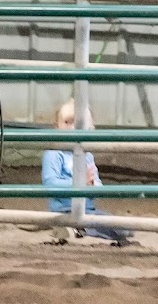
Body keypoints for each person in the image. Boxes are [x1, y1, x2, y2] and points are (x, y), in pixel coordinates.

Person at [41, 99, 133, 245]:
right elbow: (50, 184)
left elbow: (97, 184)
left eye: (79, 123)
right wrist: (79, 182)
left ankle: (78, 230)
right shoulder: (54, 153)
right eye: (67, 122)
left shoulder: (87, 155)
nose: (73, 128)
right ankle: (74, 228)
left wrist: (92, 185)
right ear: (56, 127)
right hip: (64, 209)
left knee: (125, 229)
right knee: (109, 227)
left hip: (88, 210)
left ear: (90, 129)